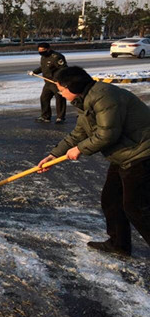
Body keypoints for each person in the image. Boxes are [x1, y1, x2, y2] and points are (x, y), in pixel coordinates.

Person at [37, 66, 150, 257]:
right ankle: (119, 244)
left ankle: (120, 243)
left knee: (136, 207)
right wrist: (54, 155)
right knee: (111, 200)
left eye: (61, 90)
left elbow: (108, 134)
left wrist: (80, 149)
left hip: (142, 153)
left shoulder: (105, 97)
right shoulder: (86, 100)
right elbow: (79, 133)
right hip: (125, 154)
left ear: (73, 87)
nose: (60, 94)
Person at [28, 42, 67, 124]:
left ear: (48, 49)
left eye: (42, 50)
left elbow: (63, 69)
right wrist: (34, 72)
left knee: (60, 99)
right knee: (44, 98)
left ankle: (60, 118)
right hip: (48, 82)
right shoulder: (43, 57)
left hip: (57, 82)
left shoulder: (57, 57)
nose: (41, 52)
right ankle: (46, 116)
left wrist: (57, 79)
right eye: (39, 50)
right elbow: (43, 67)